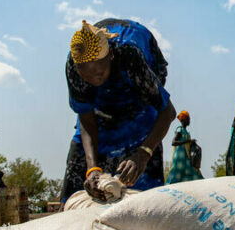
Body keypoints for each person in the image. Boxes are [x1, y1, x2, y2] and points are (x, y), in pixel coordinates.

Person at [61, 19, 176, 203]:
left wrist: (143, 154)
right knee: (76, 192)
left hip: (139, 105)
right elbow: (86, 119)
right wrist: (93, 169)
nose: (92, 80)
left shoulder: (129, 57)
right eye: (86, 76)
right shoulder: (74, 65)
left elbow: (168, 112)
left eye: (98, 74)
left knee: (145, 200)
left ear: (110, 57)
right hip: (100, 113)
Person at [166, 111, 204, 184]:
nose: (189, 120)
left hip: (186, 157)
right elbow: (173, 142)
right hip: (179, 158)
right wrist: (188, 141)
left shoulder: (186, 132)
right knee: (175, 176)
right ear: (184, 120)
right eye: (188, 118)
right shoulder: (179, 130)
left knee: (192, 173)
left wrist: (191, 142)